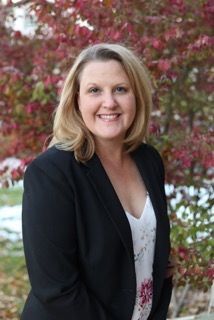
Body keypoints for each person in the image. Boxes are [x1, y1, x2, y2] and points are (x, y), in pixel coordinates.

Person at [21, 43, 173, 320]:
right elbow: (56, 289)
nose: (109, 102)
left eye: (120, 89)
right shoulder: (51, 173)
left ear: (136, 96)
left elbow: (159, 260)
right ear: (76, 100)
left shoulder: (148, 160)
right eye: (94, 90)